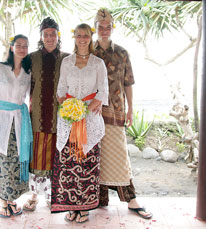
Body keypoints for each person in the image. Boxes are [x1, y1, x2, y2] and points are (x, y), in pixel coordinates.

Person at [93, 8, 153, 219]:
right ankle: (97, 198)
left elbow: (128, 83)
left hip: (117, 112)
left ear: (112, 28)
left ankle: (131, 199)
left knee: (119, 156)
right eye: (101, 26)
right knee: (94, 157)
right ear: (95, 28)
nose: (104, 30)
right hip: (92, 114)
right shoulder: (87, 52)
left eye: (108, 27)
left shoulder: (122, 53)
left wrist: (131, 110)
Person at [51, 23, 108, 223]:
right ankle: (71, 206)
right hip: (68, 117)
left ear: (90, 38)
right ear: (74, 37)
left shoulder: (98, 63)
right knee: (69, 162)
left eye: (86, 35)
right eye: (79, 35)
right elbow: (60, 89)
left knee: (86, 162)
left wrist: (86, 110)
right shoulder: (66, 62)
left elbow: (103, 91)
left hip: (90, 117)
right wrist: (69, 109)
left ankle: (84, 208)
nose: (82, 38)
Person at [23, 17, 69, 211]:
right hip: (37, 116)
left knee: (54, 157)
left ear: (58, 36)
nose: (50, 38)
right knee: (37, 156)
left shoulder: (67, 58)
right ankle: (34, 195)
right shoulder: (32, 58)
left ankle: (52, 194)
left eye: (53, 34)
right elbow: (19, 82)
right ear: (41, 37)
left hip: (60, 117)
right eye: (46, 34)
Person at [0, 34, 32, 218]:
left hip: (19, 121)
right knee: (2, 160)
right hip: (1, 120)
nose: (22, 48)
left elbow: (30, 96)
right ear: (12, 47)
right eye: (18, 45)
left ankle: (12, 199)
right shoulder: (0, 68)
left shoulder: (27, 73)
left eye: (25, 46)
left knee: (15, 161)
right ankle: (2, 201)